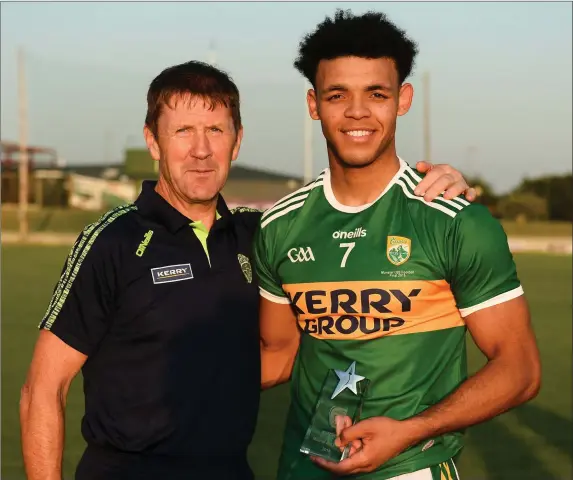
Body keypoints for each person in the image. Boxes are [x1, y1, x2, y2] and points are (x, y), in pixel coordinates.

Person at [19, 60, 475, 480]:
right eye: (182, 131)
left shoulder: (261, 236)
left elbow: (358, 221)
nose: (201, 150)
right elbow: (43, 389)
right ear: (153, 141)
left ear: (236, 141)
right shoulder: (113, 241)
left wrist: (433, 187)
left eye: (215, 130)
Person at [254, 9, 541, 480]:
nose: (357, 112)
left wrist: (412, 429)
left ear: (402, 99)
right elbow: (280, 353)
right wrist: (172, 380)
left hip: (410, 467)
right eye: (337, 95)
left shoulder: (453, 220)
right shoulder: (279, 227)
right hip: (301, 468)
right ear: (313, 104)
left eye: (377, 94)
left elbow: (521, 367)